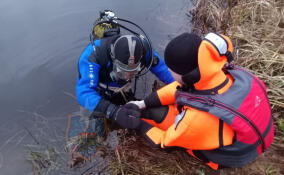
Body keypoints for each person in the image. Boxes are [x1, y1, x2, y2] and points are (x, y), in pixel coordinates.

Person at [129, 32, 274, 169]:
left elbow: (165, 142)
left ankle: (211, 159)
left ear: (185, 75)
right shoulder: (217, 72)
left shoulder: (196, 120)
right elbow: (178, 88)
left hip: (235, 155)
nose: (169, 71)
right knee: (153, 110)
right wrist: (143, 103)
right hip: (256, 134)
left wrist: (139, 123)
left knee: (152, 116)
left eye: (171, 69)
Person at [76, 12, 174, 130]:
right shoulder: (93, 56)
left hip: (123, 88)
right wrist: (113, 111)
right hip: (101, 89)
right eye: (122, 72)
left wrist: (182, 89)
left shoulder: (144, 49)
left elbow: (164, 71)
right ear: (113, 59)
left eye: (133, 72)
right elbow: (84, 93)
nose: (128, 77)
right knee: (97, 123)